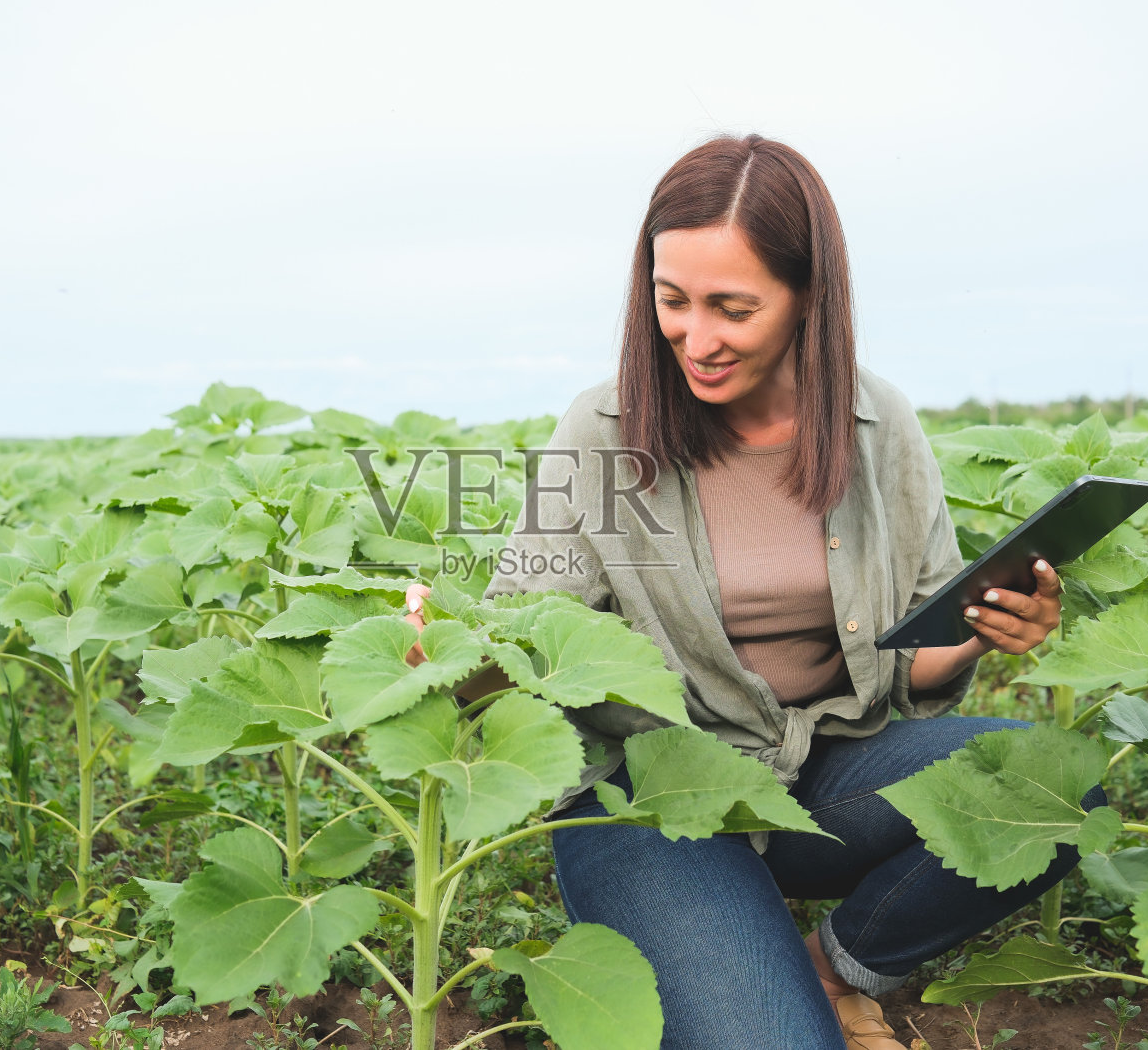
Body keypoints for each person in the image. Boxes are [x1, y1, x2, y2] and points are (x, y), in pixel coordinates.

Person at [403, 133, 1104, 1050]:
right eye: (673, 300)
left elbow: (910, 655)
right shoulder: (606, 430)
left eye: (732, 308)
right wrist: (440, 650)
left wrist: (982, 627)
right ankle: (711, 919)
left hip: (820, 772)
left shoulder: (875, 422)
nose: (696, 339)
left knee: (1059, 788)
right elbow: (531, 638)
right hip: (649, 799)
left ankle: (835, 966)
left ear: (809, 294)